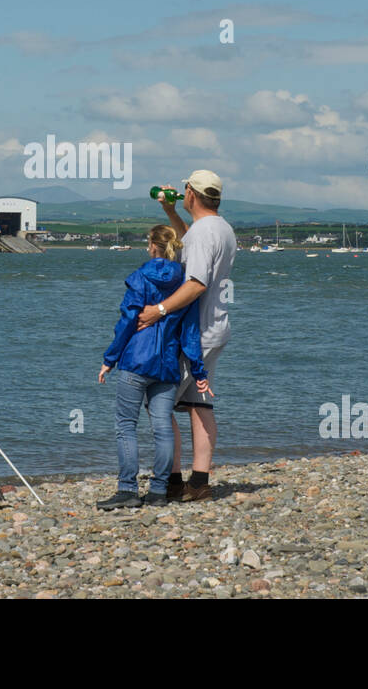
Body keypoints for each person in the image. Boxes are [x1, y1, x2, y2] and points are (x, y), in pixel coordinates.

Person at [137, 170, 235, 502]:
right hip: (215, 327)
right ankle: (200, 482)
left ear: (190, 193)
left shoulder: (207, 232)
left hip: (197, 331)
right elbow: (188, 241)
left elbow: (196, 283)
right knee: (198, 403)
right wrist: (169, 212)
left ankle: (173, 479)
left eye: (184, 191)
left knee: (160, 402)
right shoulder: (219, 227)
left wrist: (158, 310)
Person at [96, 225, 209, 510]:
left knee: (126, 425)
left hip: (136, 362)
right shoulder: (185, 285)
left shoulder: (140, 278)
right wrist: (199, 372)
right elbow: (190, 333)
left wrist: (109, 360)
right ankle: (158, 491)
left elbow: (127, 323)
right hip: (167, 366)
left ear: (152, 246)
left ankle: (127, 489)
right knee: (162, 428)